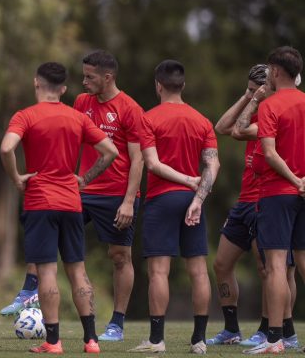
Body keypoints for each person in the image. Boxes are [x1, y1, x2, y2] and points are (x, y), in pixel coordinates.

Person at [1, 62, 118, 354]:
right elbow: (111, 152)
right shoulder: (76, 117)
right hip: (71, 201)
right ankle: (91, 340)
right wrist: (84, 179)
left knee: (47, 272)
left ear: (36, 83)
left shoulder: (25, 116)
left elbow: (6, 148)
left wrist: (17, 179)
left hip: (40, 202)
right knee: (78, 270)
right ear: (64, 89)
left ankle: (53, 341)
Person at [129, 60, 220, 354]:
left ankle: (157, 341)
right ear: (183, 85)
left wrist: (187, 181)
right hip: (192, 201)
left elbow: (152, 164)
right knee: (198, 271)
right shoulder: (202, 120)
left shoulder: (148, 119)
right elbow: (212, 164)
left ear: (158, 85)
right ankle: (199, 341)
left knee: (158, 272)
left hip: (162, 200)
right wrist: (198, 197)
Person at [208, 64, 299, 349]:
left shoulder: (274, 114)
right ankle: (232, 329)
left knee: (275, 269)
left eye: (255, 88)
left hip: (270, 197)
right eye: (248, 89)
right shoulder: (256, 105)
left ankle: (278, 330)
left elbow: (238, 131)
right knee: (222, 263)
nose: (251, 94)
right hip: (245, 200)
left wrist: (258, 100)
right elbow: (222, 127)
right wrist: (249, 97)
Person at [73, 50, 144, 342]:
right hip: (81, 191)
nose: (84, 81)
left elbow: (138, 159)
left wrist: (129, 201)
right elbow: (71, 140)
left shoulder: (130, 108)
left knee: (119, 256)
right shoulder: (81, 102)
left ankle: (116, 323)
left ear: (108, 77)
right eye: (84, 75)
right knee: (51, 235)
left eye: (90, 76)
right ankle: (33, 296)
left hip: (117, 194)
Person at [243, 47, 305, 355]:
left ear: (276, 72)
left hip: (278, 193)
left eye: (268, 70)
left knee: (277, 265)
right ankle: (284, 337)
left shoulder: (270, 106)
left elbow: (268, 152)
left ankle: (276, 338)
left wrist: (294, 180)